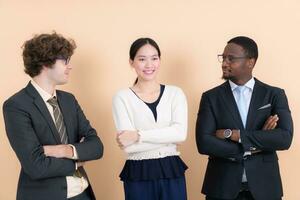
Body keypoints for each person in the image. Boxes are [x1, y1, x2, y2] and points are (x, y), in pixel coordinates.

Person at [3, 32, 104, 200]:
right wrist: (77, 160)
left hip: (83, 194)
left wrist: (66, 150)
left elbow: (97, 146)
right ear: (45, 62)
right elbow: (36, 166)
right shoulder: (16, 106)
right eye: (65, 61)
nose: (69, 66)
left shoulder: (69, 100)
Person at [196, 36, 293, 200]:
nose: (224, 63)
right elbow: (204, 143)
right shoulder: (210, 97)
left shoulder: (274, 95)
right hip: (221, 188)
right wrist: (256, 144)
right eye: (223, 57)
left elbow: (284, 138)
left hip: (265, 188)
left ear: (250, 62)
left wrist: (235, 135)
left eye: (231, 58)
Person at [112, 38, 188, 200]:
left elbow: (180, 134)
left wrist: (138, 135)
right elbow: (128, 146)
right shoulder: (122, 97)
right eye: (142, 59)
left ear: (160, 60)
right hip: (138, 172)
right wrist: (168, 137)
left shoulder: (175, 93)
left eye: (154, 58)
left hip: (171, 169)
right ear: (131, 62)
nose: (149, 65)